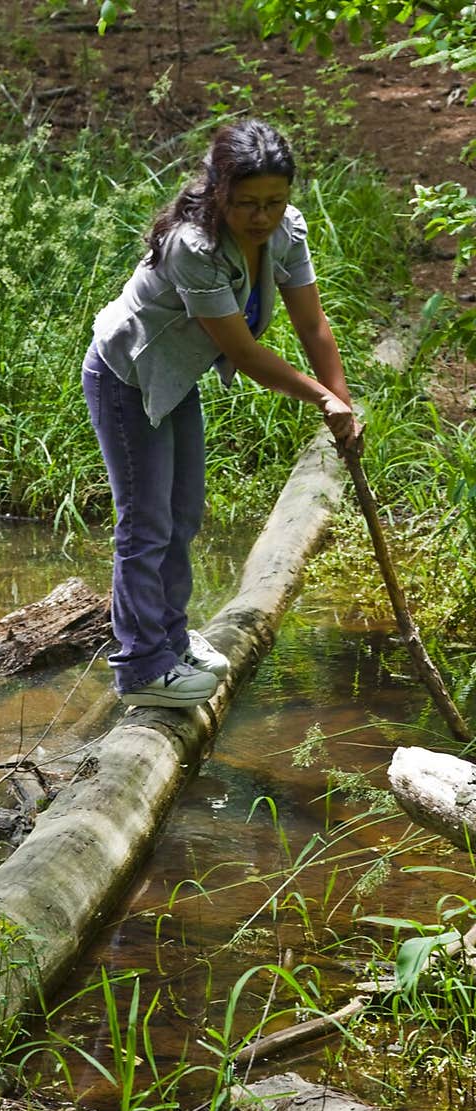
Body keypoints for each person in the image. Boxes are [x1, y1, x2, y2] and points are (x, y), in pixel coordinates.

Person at [81, 118, 363, 709]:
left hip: (174, 378)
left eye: (274, 202)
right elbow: (243, 353)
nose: (261, 216)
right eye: (246, 203)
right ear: (217, 191)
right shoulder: (194, 246)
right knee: (145, 523)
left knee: (183, 515)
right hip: (127, 375)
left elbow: (313, 325)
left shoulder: (286, 230)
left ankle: (171, 638)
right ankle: (141, 669)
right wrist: (320, 398)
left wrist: (343, 406)